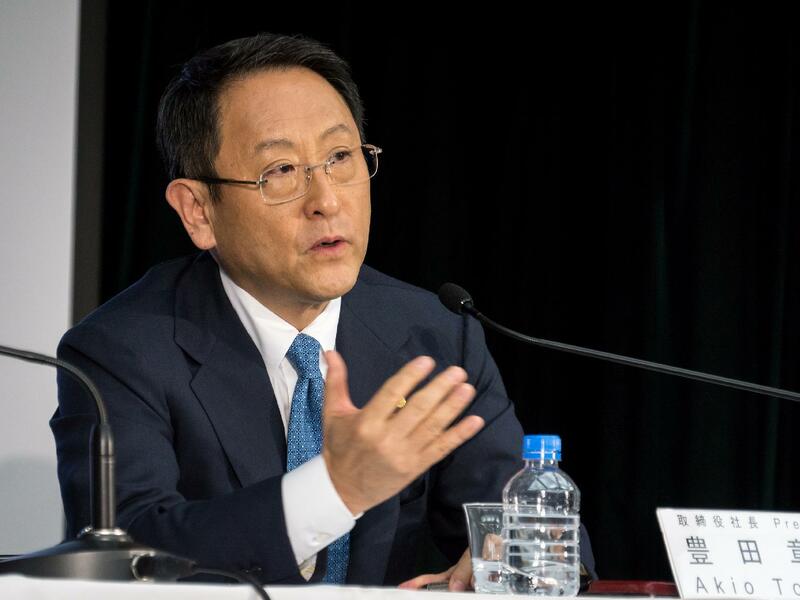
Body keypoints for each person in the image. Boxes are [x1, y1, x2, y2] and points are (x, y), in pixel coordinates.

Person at [51, 33, 594, 588]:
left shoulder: (435, 333)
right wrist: (336, 490)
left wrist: (512, 560)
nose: (327, 201)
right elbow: (128, 555)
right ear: (198, 211)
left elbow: (531, 519)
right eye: (281, 171)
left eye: (340, 158)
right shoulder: (120, 351)